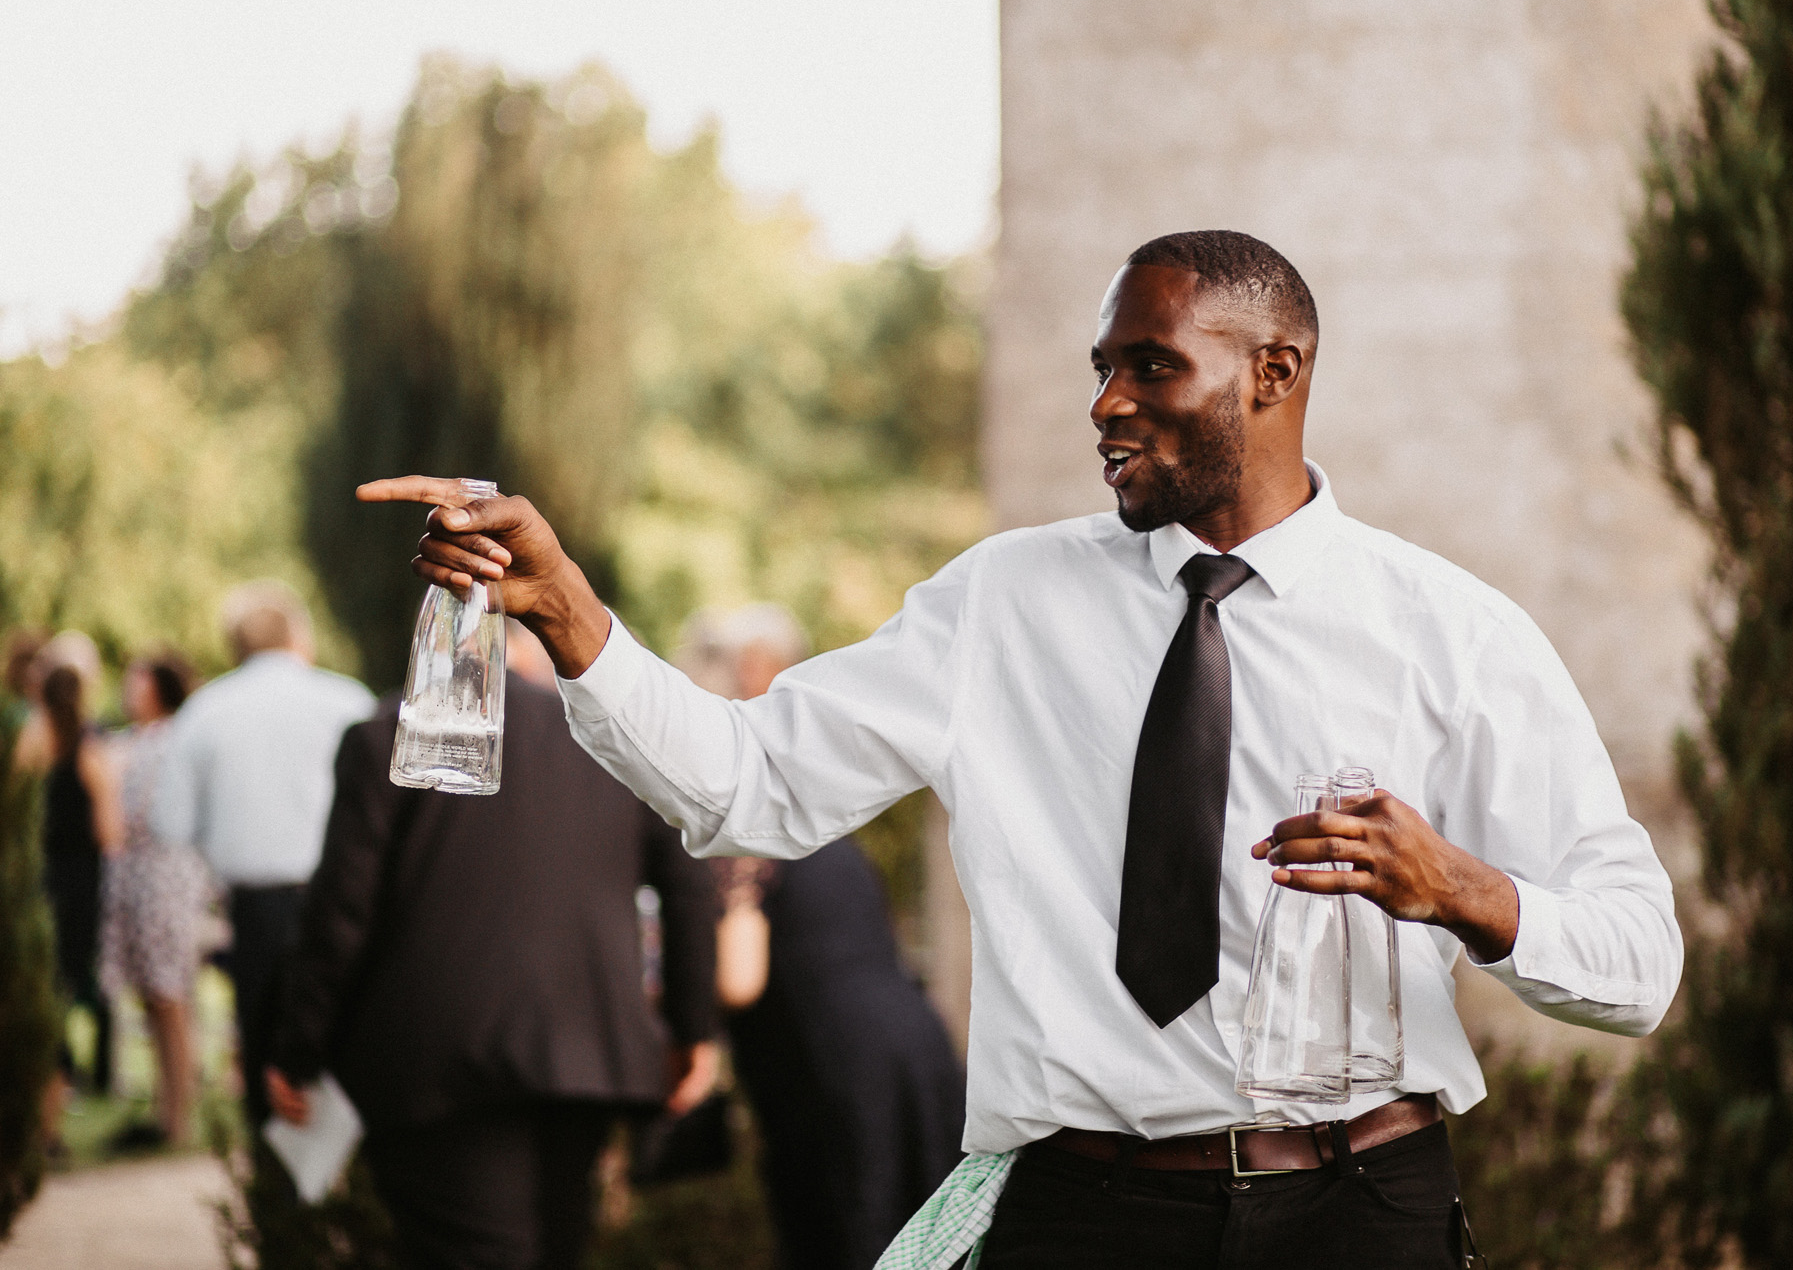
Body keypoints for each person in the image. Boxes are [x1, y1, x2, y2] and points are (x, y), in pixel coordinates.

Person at [364, 229, 1684, 1269]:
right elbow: (743, 784)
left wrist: (1465, 890)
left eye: (1150, 365)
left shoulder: (1450, 632)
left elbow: (1637, 963)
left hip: (1361, 1216)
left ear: (1274, 373)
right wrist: (578, 619)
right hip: (1081, 1218)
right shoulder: (1000, 604)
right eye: (1100, 368)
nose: (1106, 403)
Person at [266, 622, 722, 1270]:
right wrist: (689, 1031)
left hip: (438, 1059)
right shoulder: (611, 742)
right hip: (585, 1053)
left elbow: (343, 907)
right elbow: (689, 887)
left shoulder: (393, 730)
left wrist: (298, 1048)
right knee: (556, 1248)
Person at [687, 604, 963, 1270]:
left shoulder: (745, 804)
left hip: (834, 1072)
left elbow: (738, 974)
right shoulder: (810, 793)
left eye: (697, 662)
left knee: (853, 1239)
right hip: (914, 1052)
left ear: (750, 668)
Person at [151, 581, 375, 1126]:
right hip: (345, 900)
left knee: (264, 1047)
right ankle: (345, 1191)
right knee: (348, 1043)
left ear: (235, 644)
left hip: (255, 909)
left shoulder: (205, 711)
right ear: (299, 636)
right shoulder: (349, 701)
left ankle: (273, 1190)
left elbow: (170, 823)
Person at [100, 651, 209, 1149]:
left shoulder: (175, 739)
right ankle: (165, 1107)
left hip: (165, 876)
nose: (127, 689)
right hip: (136, 877)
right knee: (151, 997)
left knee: (170, 997)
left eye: (135, 680)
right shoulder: (132, 741)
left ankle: (179, 1116)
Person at [33, 649, 125, 1097]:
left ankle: (55, 1081)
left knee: (47, 985)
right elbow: (110, 832)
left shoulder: (28, 744)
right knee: (83, 983)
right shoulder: (90, 749)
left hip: (37, 880)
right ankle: (90, 1077)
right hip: (81, 882)